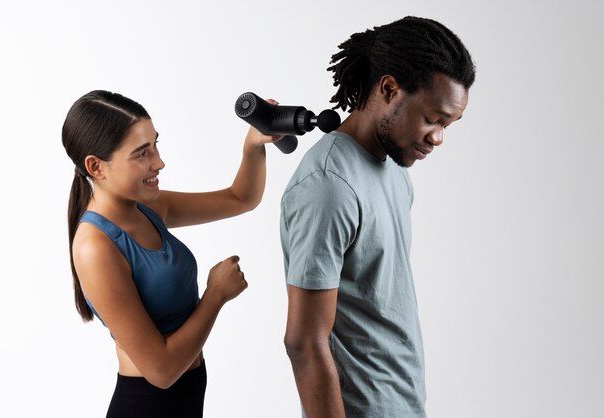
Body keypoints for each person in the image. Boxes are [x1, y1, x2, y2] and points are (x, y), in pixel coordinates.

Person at [280, 16, 476, 417]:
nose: (437, 137)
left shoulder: (394, 170)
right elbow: (305, 343)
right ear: (389, 89)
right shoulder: (329, 185)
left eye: (448, 125)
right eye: (433, 118)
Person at [63, 90, 280, 418]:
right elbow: (161, 372)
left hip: (187, 399)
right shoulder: (95, 247)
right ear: (96, 167)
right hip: (147, 406)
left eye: (155, 145)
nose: (159, 162)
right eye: (141, 154)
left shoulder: (149, 208)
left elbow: (241, 198)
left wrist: (253, 145)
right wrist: (215, 295)